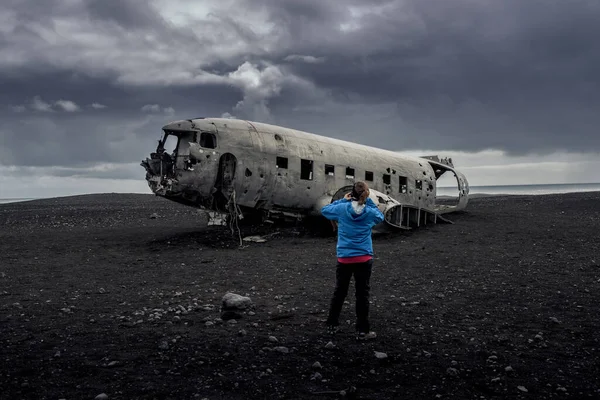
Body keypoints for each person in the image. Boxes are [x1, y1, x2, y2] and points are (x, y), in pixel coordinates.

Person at [321, 181, 384, 340]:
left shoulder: (342, 208)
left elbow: (325, 210)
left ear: (352, 194)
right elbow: (380, 216)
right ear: (366, 194)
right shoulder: (369, 211)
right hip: (363, 257)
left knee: (340, 291)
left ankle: (332, 324)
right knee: (362, 294)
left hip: (344, 258)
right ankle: (362, 330)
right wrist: (368, 200)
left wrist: (344, 200)